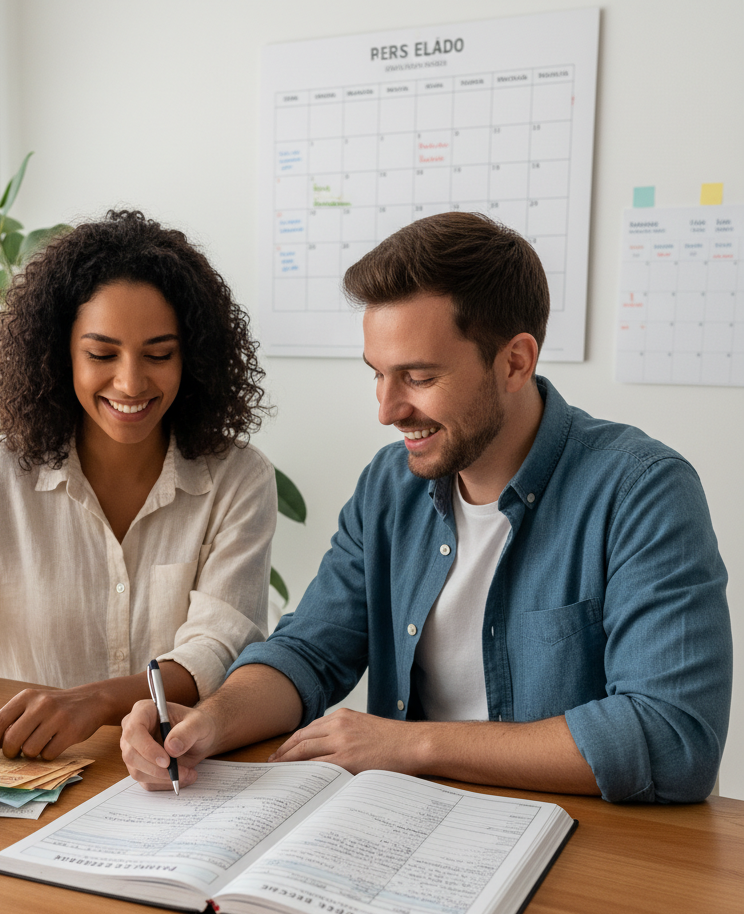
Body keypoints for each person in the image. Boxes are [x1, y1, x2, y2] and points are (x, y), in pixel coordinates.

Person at [121, 211, 732, 804]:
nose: (387, 410)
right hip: (407, 829)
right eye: (378, 375)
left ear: (515, 362)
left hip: (578, 847)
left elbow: (673, 739)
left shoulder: (643, 491)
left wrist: (413, 746)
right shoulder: (391, 485)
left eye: (417, 377)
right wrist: (209, 722)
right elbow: (308, 650)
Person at [0, 210, 276, 763]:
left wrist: (93, 703)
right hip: (29, 781)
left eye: (159, 354)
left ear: (192, 358)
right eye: (101, 354)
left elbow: (218, 650)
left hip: (176, 775)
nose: (130, 382)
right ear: (60, 354)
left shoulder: (238, 479)